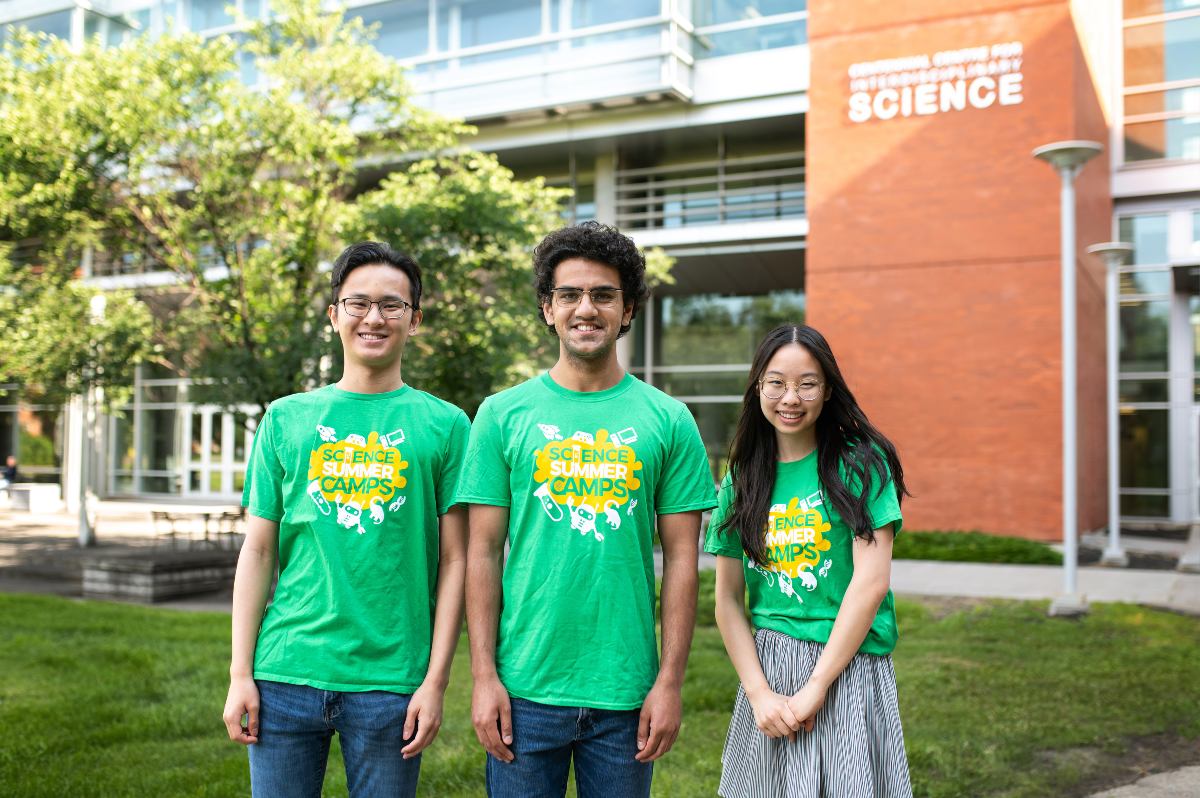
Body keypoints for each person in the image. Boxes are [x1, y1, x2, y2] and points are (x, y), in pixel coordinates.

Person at [458, 221, 717, 798]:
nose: (586, 308)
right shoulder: (502, 415)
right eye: (570, 294)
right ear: (548, 309)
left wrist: (670, 682)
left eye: (603, 295)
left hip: (625, 693)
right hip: (524, 691)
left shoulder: (668, 420)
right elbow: (480, 551)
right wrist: (483, 677)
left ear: (627, 311)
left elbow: (681, 560)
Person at [221, 242, 470, 798]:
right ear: (334, 316)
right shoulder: (287, 418)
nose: (374, 318)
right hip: (285, 671)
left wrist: (436, 681)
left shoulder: (447, 425)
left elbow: (457, 560)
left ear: (415, 319)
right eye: (357, 303)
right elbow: (258, 551)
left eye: (392, 305)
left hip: (392, 684)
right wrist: (241, 675)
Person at [705, 324, 913, 798]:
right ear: (758, 386)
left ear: (827, 390)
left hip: (849, 665)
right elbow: (727, 602)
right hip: (768, 670)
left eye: (807, 383)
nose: (790, 397)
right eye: (776, 382)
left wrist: (818, 684)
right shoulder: (742, 479)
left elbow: (870, 584)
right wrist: (758, 692)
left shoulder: (861, 464)